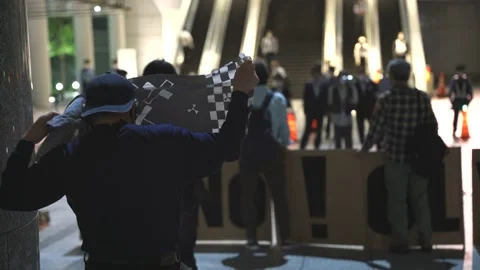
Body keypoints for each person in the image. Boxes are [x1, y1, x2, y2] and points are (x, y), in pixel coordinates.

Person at [0, 60, 258, 269]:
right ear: (132, 108)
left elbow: (12, 196)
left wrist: (28, 140)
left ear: (87, 114)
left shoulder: (70, 156)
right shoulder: (165, 141)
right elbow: (227, 147)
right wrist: (240, 93)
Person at [359, 59, 437, 253]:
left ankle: (401, 241)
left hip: (395, 157)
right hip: (419, 158)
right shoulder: (421, 97)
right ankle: (426, 241)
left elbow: (375, 129)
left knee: (397, 201)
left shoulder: (386, 99)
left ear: (391, 77)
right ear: (408, 76)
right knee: (420, 200)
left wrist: (364, 149)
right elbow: (432, 126)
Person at [142, 59, 204, 270]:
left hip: (144, 197)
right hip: (183, 194)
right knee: (183, 254)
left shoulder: (134, 113)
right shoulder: (188, 111)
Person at [240, 60, 291, 250]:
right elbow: (283, 131)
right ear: (268, 77)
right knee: (279, 195)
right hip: (271, 152)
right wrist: (284, 145)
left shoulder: (241, 99)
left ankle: (252, 239)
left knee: (248, 196)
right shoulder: (277, 99)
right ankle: (285, 238)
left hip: (248, 152)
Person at [327, 72, 358, 149]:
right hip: (337, 117)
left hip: (347, 117)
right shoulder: (333, 89)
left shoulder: (351, 89)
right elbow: (330, 102)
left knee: (348, 140)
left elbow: (355, 100)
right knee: (338, 140)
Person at [300, 62, 326, 150]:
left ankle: (317, 145)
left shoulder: (323, 84)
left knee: (319, 129)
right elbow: (305, 98)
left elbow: (324, 98)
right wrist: (305, 109)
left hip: (319, 110)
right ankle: (302, 146)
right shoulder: (309, 85)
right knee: (307, 128)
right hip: (310, 110)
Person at [449, 64, 473, 138]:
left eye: (461, 71)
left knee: (464, 117)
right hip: (457, 101)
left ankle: (465, 130)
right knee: (456, 117)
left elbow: (470, 93)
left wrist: (468, 102)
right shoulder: (454, 80)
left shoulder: (466, 80)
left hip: (464, 101)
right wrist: (452, 102)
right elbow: (450, 92)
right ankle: (454, 130)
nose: (460, 73)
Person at [355, 66, 378, 144]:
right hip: (359, 109)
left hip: (369, 109)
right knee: (360, 127)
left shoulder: (371, 84)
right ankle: (362, 141)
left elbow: (375, 96)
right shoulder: (356, 84)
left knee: (372, 126)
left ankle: (373, 140)